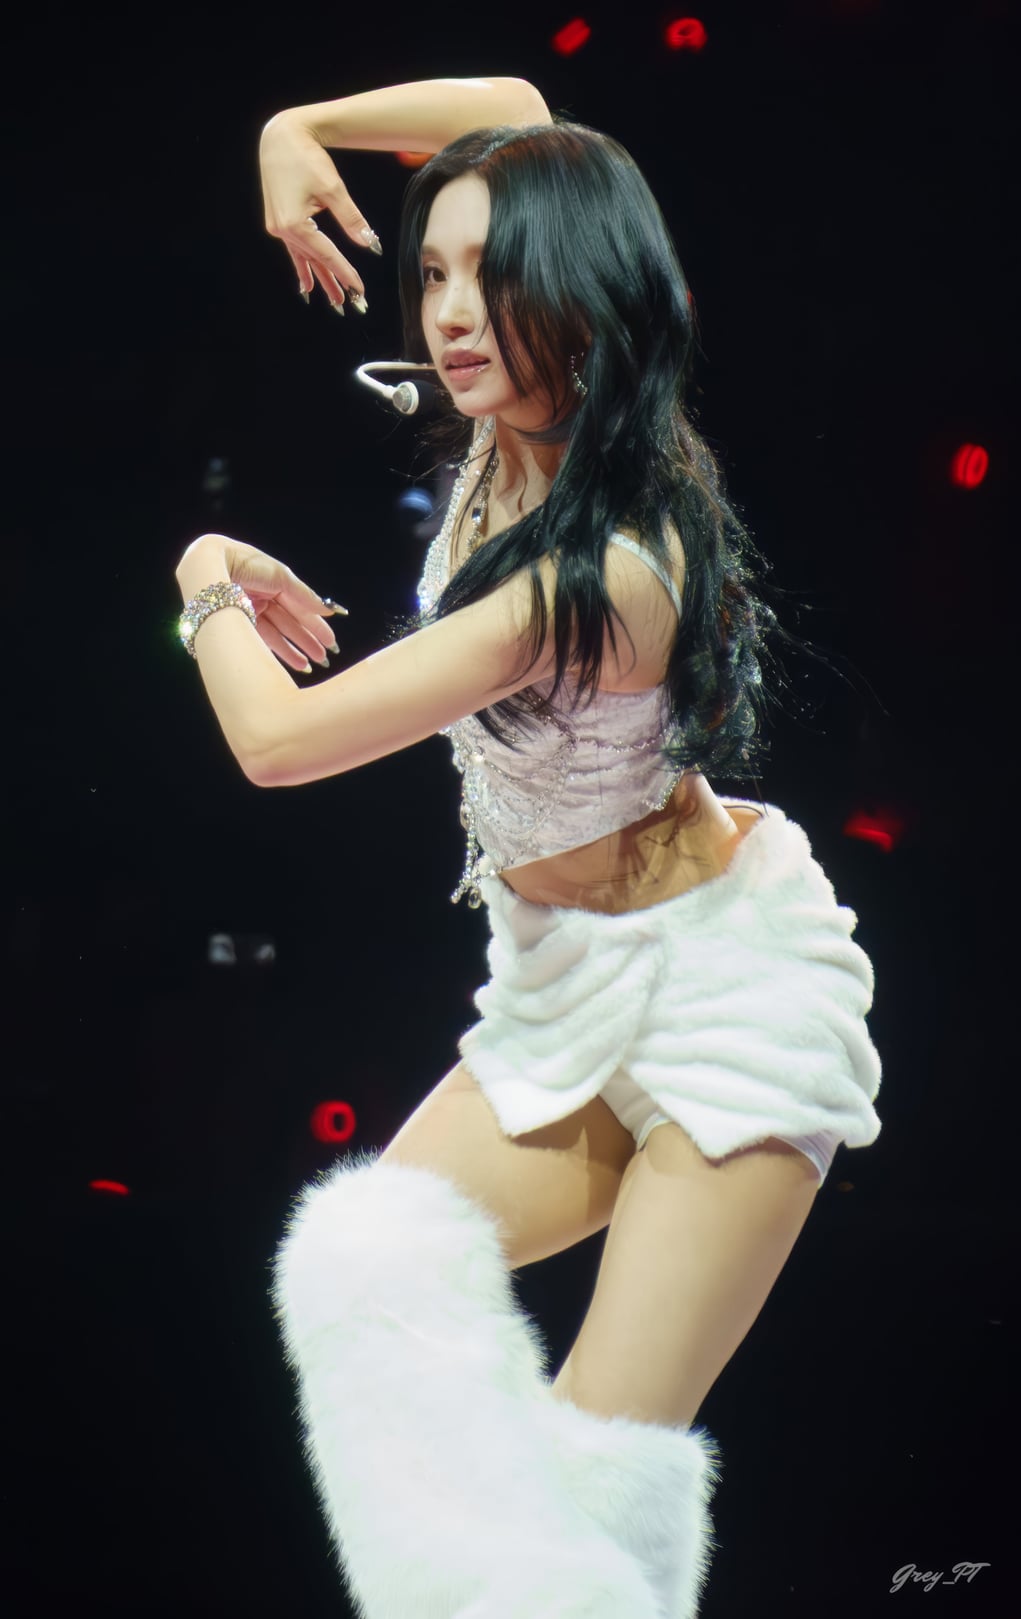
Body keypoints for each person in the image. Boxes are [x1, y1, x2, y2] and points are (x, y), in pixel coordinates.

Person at [176, 76, 883, 1619]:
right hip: (565, 987)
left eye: (490, 275)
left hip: (728, 1010)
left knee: (592, 1496)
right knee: (364, 1267)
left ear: (581, 281)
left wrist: (204, 579)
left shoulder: (597, 573)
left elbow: (279, 743)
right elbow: (510, 107)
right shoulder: (530, 433)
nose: (448, 311)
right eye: (431, 269)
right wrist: (297, 132)